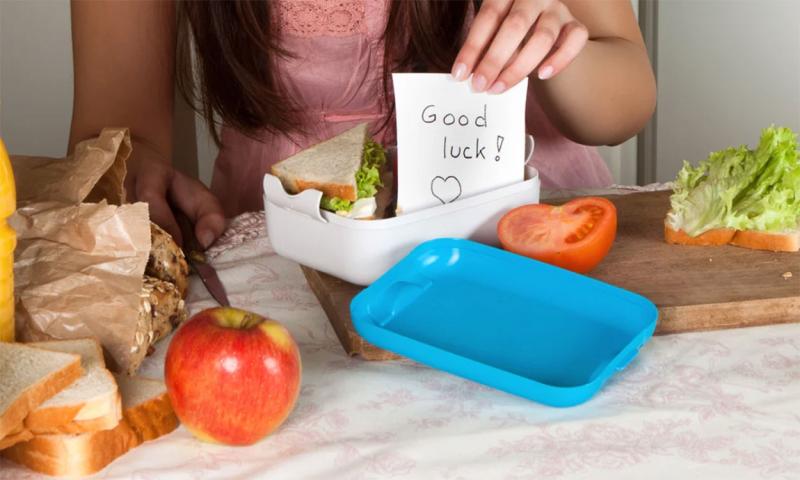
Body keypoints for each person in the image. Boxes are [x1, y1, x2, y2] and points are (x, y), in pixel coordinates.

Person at [69, 0, 655, 248]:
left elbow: (625, 102)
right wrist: (134, 168)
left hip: (529, 242)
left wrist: (555, 43)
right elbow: (116, 136)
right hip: (288, 255)